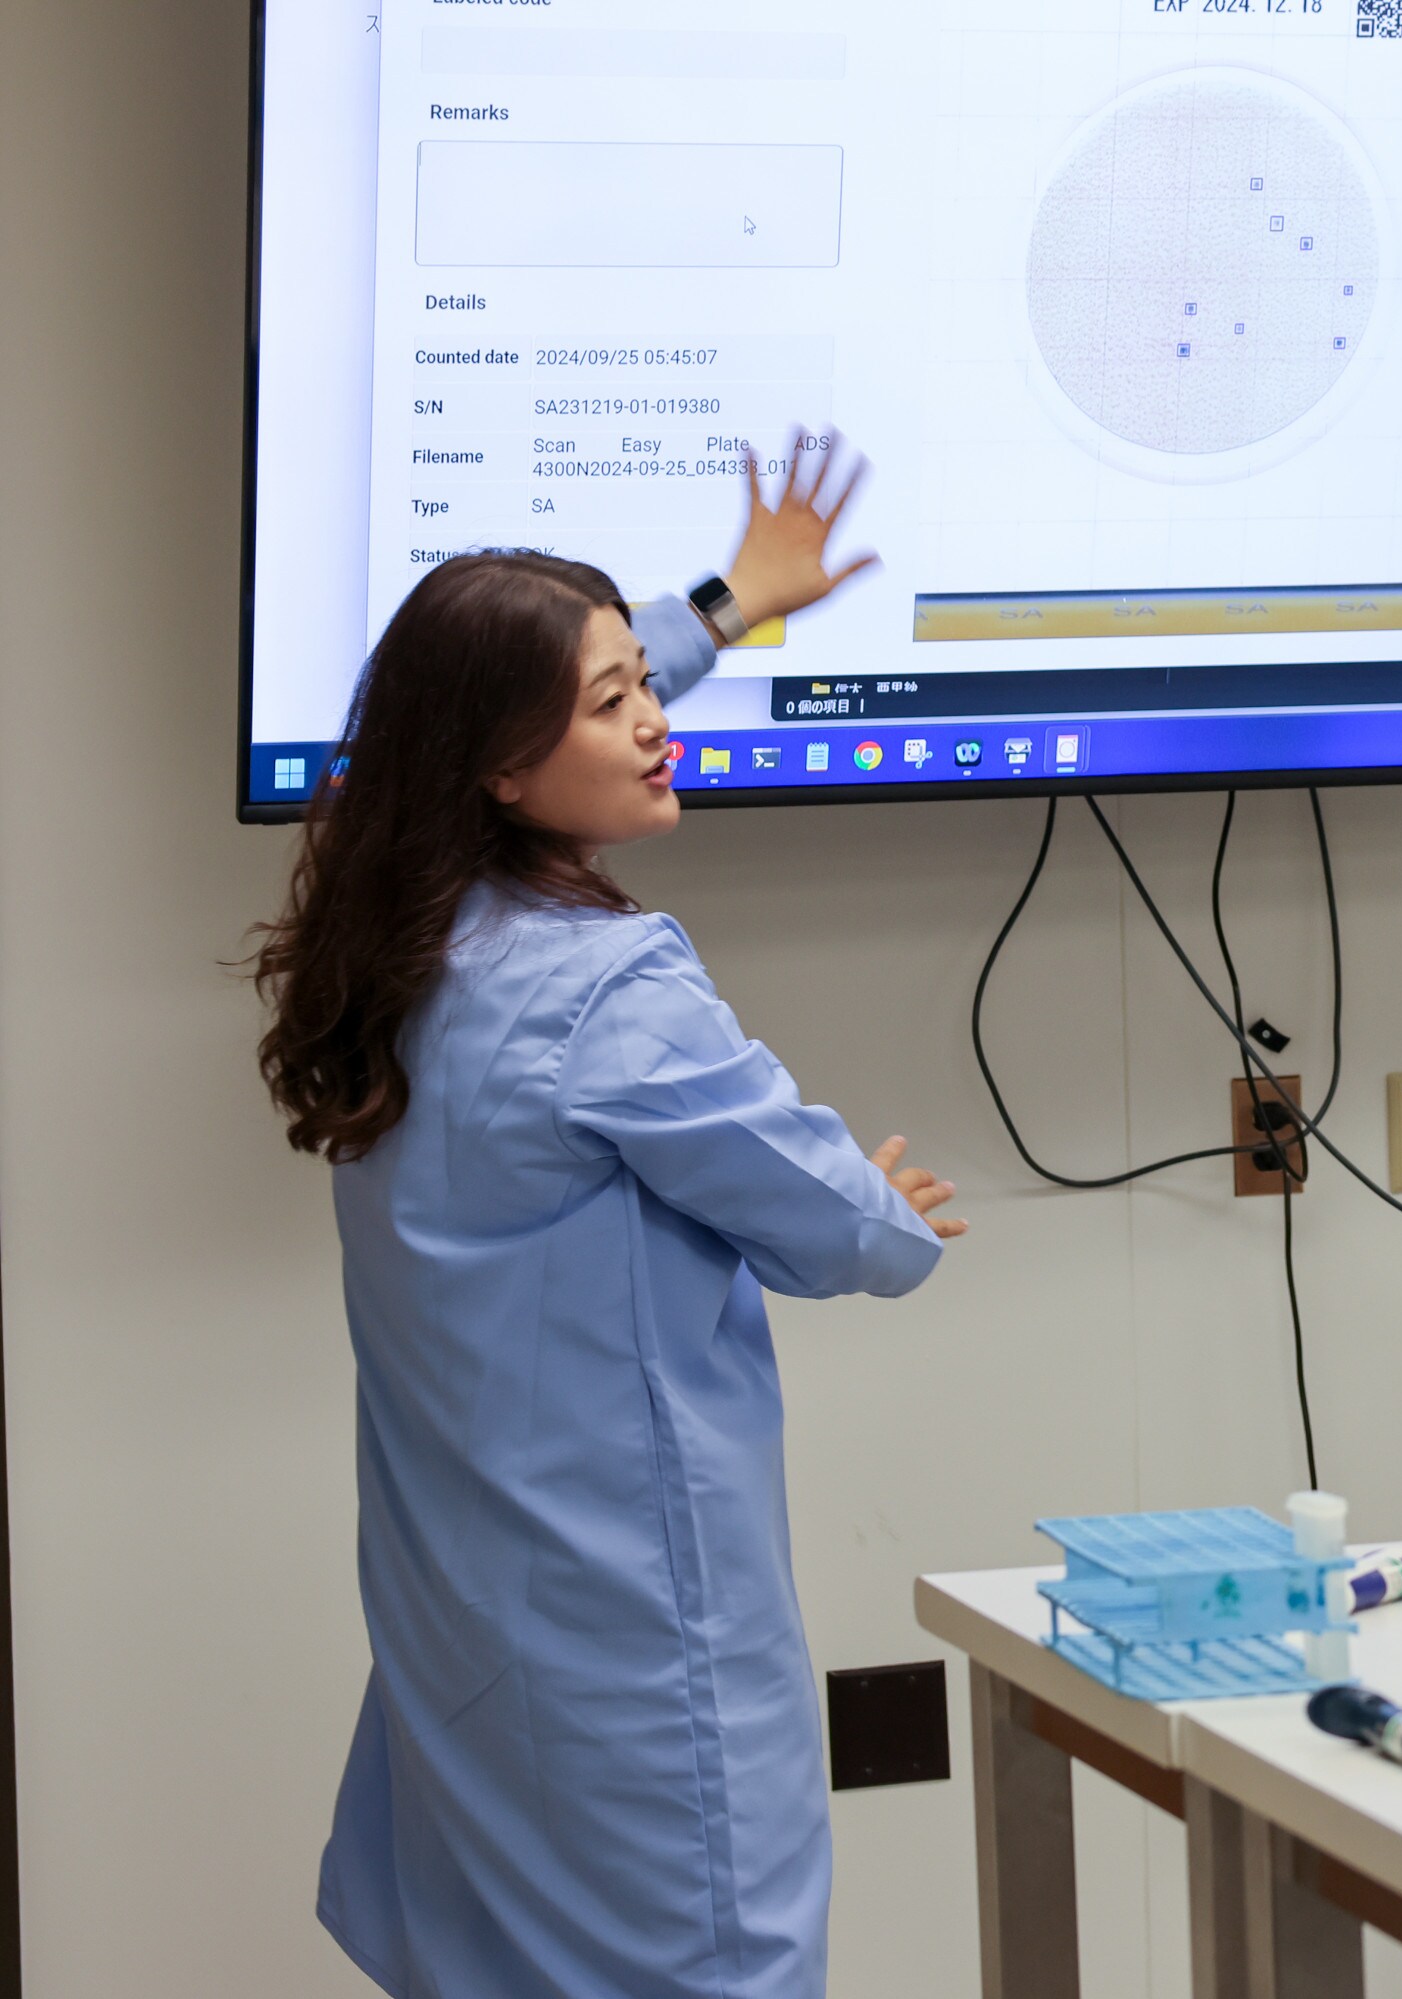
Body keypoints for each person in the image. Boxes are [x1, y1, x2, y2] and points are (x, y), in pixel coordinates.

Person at [253, 438, 959, 1999]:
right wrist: (881, 1204)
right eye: (612, 700)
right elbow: (841, 1234)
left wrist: (727, 606)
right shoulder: (606, 990)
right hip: (633, 1650)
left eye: (648, 683)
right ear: (503, 766)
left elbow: (529, 697)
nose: (653, 722)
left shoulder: (406, 949)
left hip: (467, 1632)